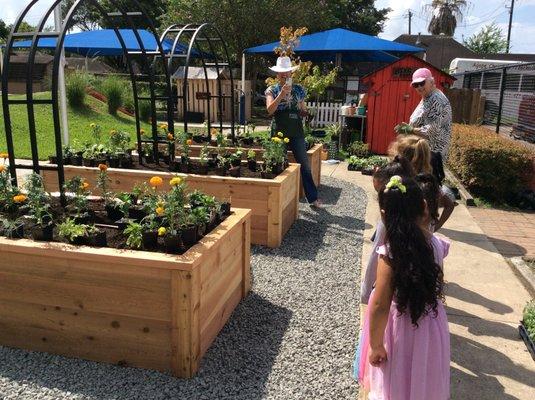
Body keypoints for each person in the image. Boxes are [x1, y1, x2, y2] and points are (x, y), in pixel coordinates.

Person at [358, 175, 450, 399]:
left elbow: (380, 304)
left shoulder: (390, 253)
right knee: (425, 378)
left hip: (399, 328)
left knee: (396, 382)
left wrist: (376, 344)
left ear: (383, 215)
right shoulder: (437, 245)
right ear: (425, 208)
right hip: (431, 324)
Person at [265, 56, 320, 207]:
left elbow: (302, 109)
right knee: (279, 165)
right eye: (281, 73)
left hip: (296, 131)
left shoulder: (299, 90)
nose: (284, 75)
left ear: (291, 73)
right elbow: (270, 110)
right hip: (279, 132)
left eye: (287, 72)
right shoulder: (272, 90)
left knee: (304, 165)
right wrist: (281, 95)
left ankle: (313, 198)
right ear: (277, 75)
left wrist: (306, 113)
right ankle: (280, 201)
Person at [395, 68, 452, 184]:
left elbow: (432, 130)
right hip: (424, 153)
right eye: (416, 85)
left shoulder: (437, 99)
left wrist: (410, 129)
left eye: (422, 83)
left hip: (431, 155)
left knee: (428, 187)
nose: (419, 87)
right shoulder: (428, 97)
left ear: (431, 81)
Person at [389, 135, 455, 231]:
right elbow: (449, 205)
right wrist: (435, 227)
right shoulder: (428, 182)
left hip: (402, 234)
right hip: (422, 236)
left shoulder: (401, 181)